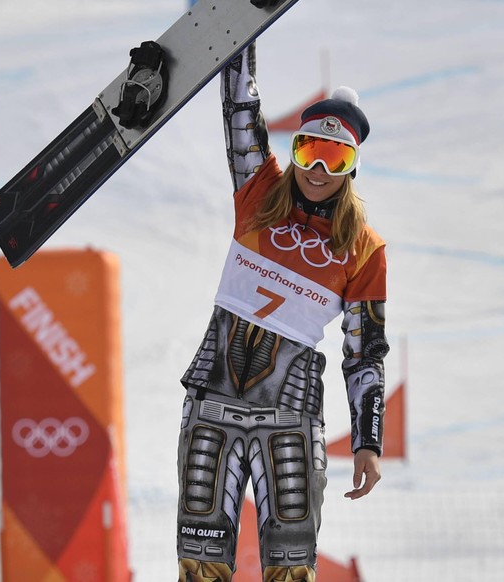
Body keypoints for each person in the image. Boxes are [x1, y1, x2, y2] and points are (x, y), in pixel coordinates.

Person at [176, 41, 389, 582]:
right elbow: (240, 111)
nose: (318, 168)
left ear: (351, 169)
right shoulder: (259, 191)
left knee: (290, 569)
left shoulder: (363, 248)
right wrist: (240, 29)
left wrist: (368, 442)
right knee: (201, 566)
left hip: (290, 416)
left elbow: (364, 353)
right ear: (292, 150)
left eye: (335, 159)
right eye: (308, 151)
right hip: (215, 398)